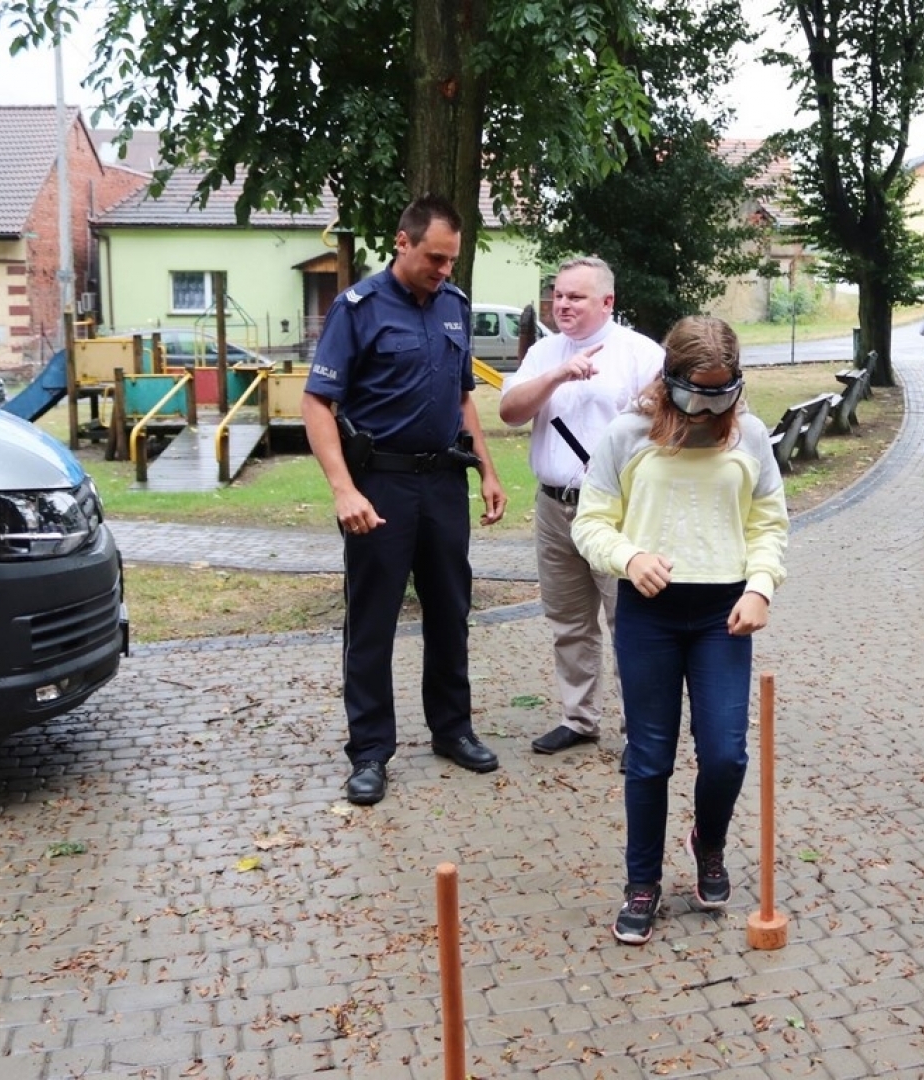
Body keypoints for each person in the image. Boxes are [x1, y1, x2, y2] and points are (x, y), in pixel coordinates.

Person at [572, 316, 789, 945]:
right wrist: (629, 557)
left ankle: (708, 841)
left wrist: (760, 586)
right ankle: (642, 881)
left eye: (724, 393)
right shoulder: (628, 434)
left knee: (725, 752)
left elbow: (768, 523)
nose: (710, 408)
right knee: (649, 757)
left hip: (724, 612)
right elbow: (591, 522)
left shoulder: (749, 435)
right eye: (698, 393)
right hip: (650, 611)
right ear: (668, 380)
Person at [301, 195, 508, 806]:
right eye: (435, 258)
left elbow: (463, 397)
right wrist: (343, 489)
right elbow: (317, 403)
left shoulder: (454, 306)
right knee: (373, 620)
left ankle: (452, 729)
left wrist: (487, 471)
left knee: (450, 610)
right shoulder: (357, 309)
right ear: (403, 242)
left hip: (443, 484)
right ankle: (369, 751)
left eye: (451, 261)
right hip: (380, 486)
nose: (444, 270)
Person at [498, 257, 664, 755]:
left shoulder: (640, 353)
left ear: (607, 302)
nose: (563, 304)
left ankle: (641, 731)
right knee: (568, 622)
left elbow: (666, 426)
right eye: (558, 295)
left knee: (628, 623)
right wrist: (557, 376)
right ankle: (579, 718)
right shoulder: (543, 352)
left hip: (618, 512)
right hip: (554, 508)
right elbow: (509, 412)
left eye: (576, 296)